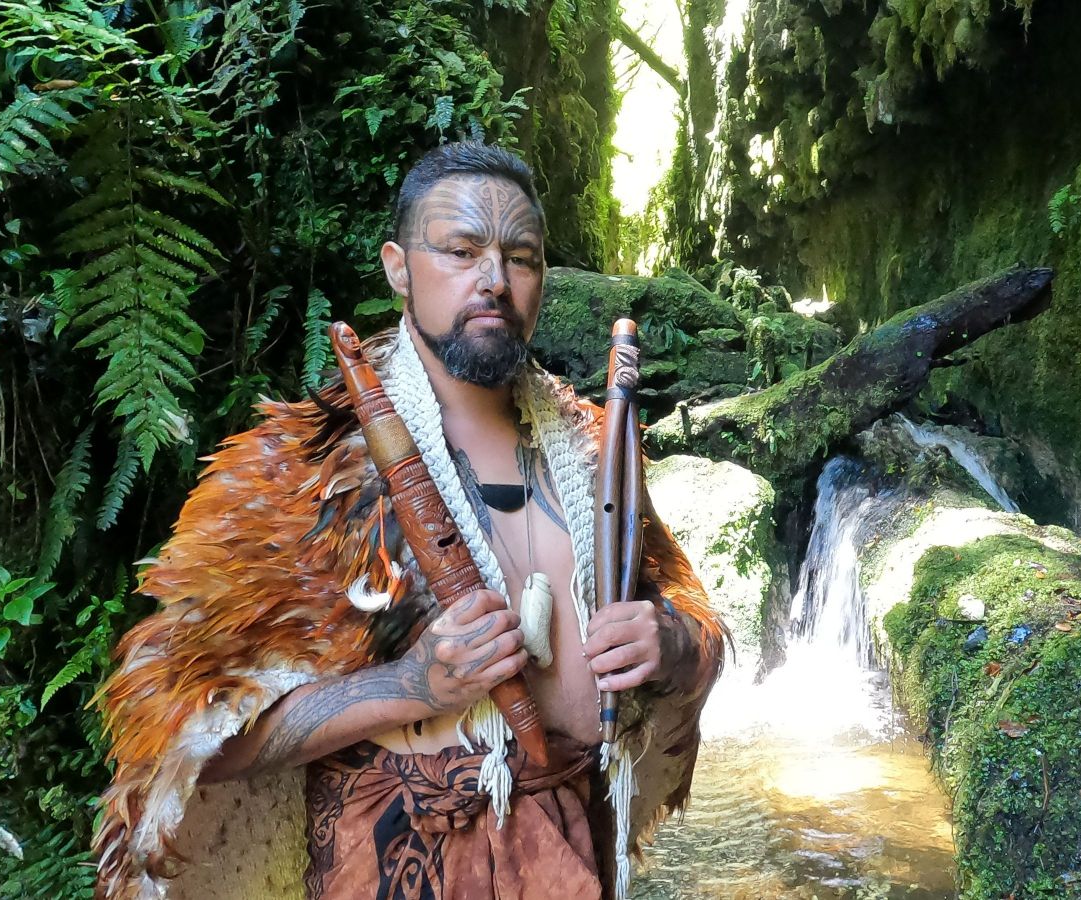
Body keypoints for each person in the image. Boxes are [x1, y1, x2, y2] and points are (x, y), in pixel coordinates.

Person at [92, 141, 727, 900]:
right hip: (395, 868)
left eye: (520, 257)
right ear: (399, 266)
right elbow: (184, 730)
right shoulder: (310, 463)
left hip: (573, 849)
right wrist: (410, 686)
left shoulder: (598, 448)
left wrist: (674, 643)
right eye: (461, 251)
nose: (493, 280)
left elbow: (693, 626)